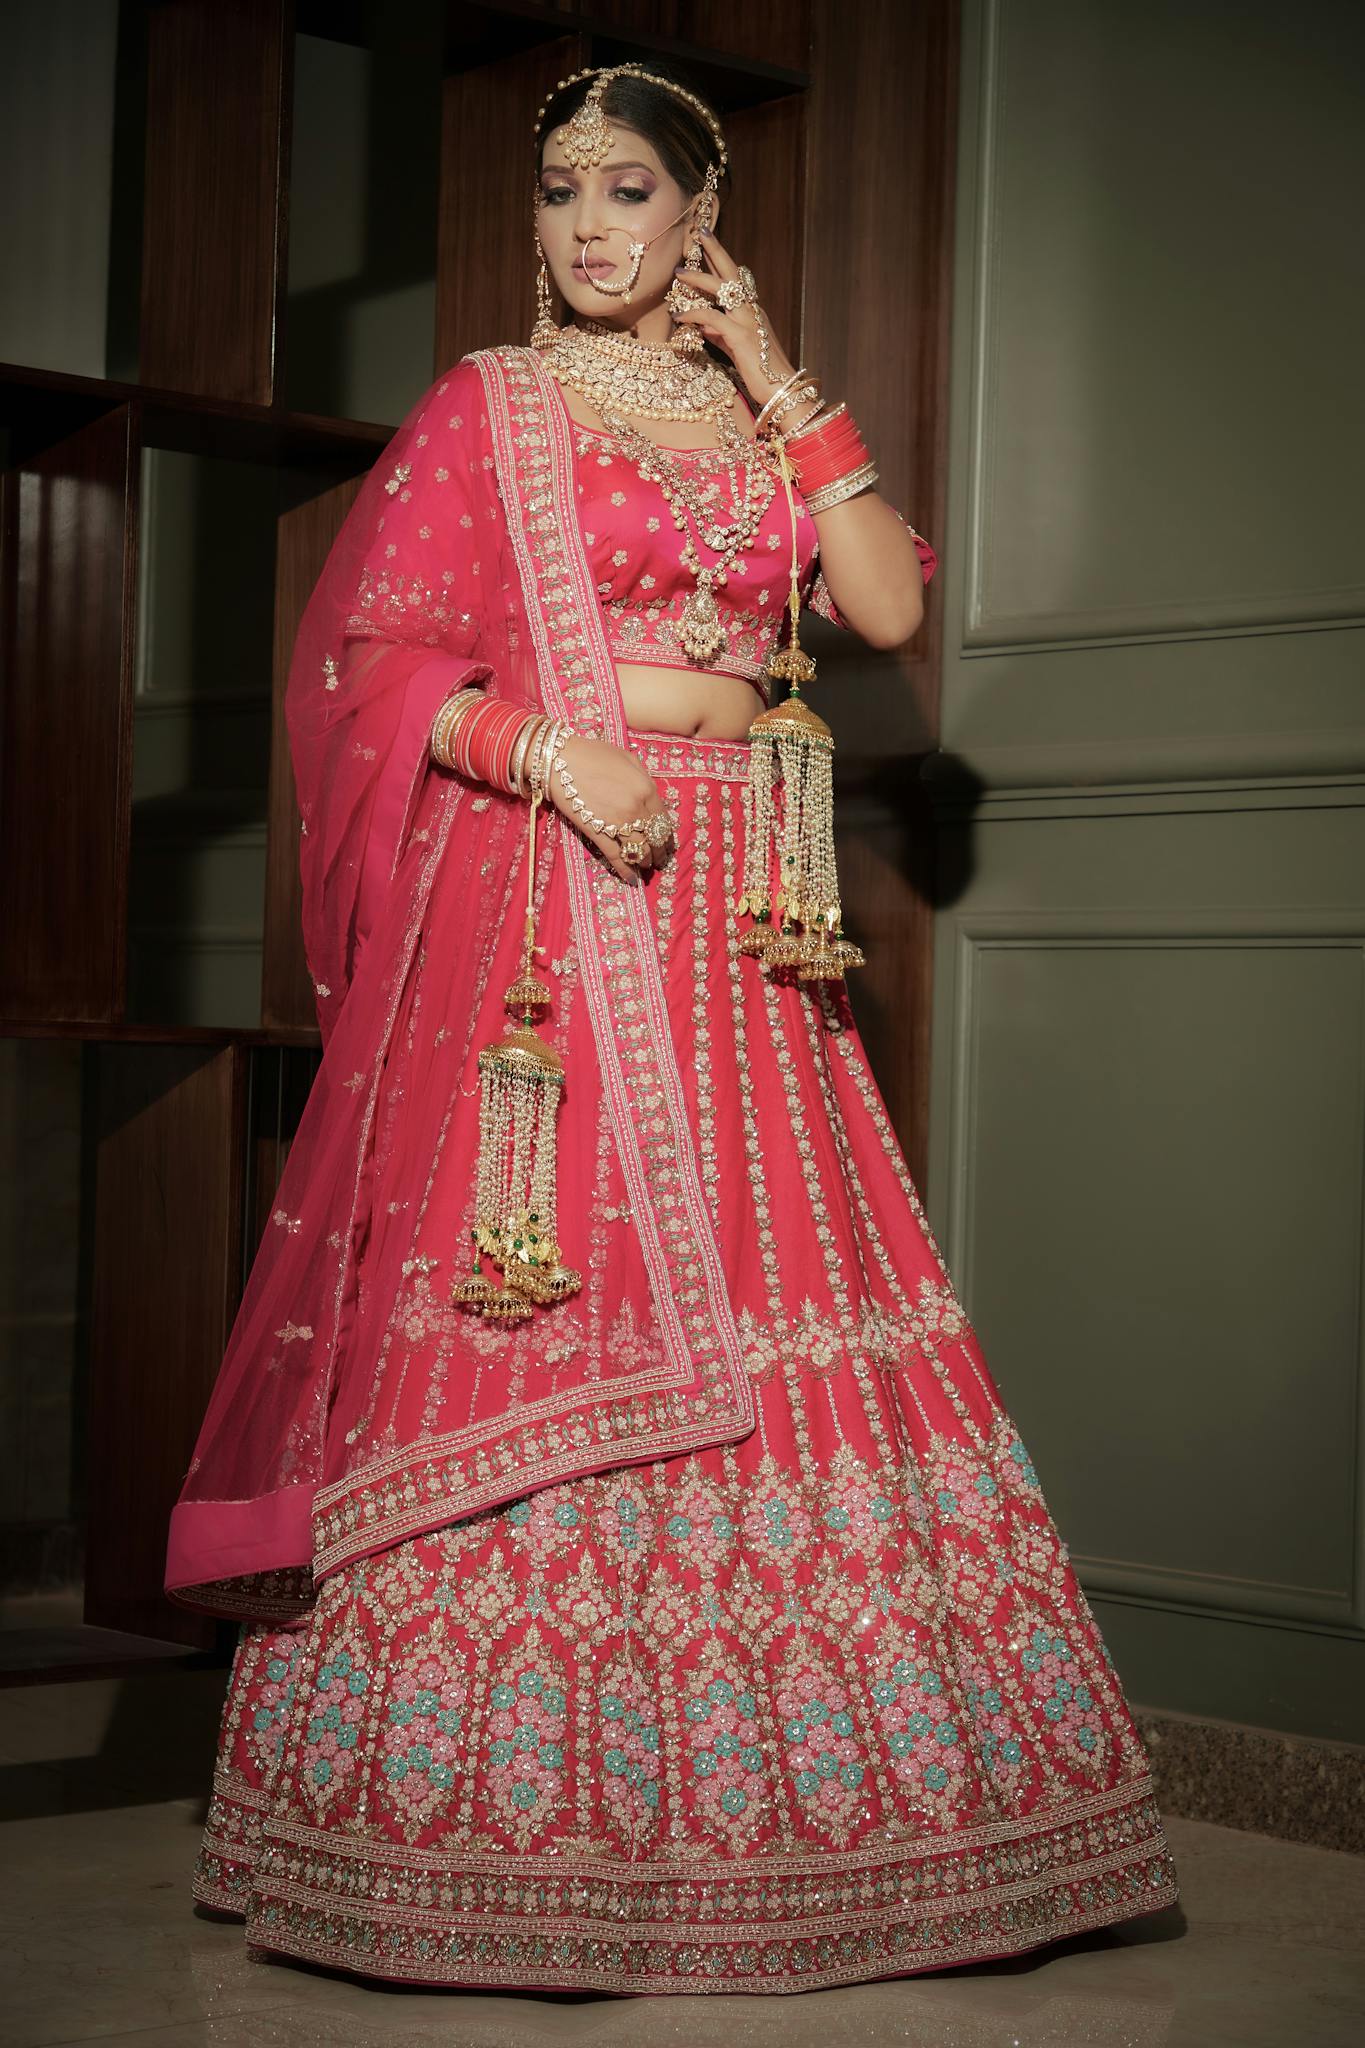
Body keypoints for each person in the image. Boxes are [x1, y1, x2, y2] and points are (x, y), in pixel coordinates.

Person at [166, 63, 1179, 1996]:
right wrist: (550, 750)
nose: (583, 227)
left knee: (772, 1276)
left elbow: (878, 606)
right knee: (558, 1282)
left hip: (746, 903)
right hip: (554, 880)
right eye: (558, 193)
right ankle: (489, 1831)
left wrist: (784, 379)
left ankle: (793, 1824)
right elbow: (372, 661)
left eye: (626, 189)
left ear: (696, 212)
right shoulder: (496, 402)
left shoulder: (742, 413)